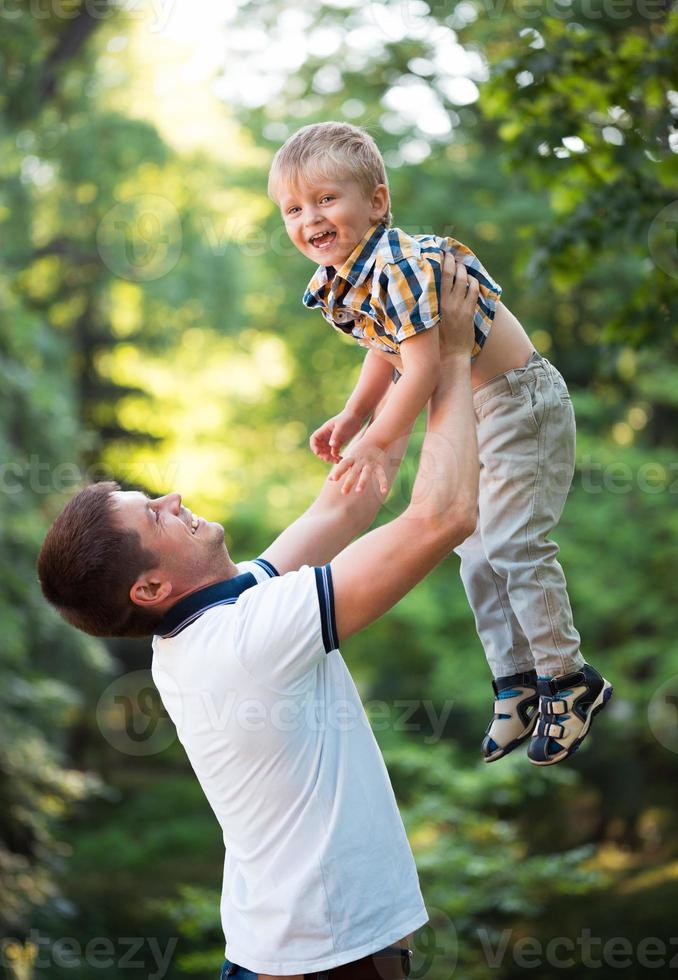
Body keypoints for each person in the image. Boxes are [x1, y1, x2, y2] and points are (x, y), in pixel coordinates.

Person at [37, 255, 480, 979]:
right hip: (328, 959)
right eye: (155, 514)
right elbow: (444, 517)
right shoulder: (247, 640)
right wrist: (454, 358)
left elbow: (347, 503)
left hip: (291, 951)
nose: (174, 498)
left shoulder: (218, 617)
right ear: (150, 586)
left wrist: (393, 372)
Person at [267, 120, 613, 767]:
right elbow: (386, 348)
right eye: (293, 208)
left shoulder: (398, 263)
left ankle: (569, 679)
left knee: (513, 543)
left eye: (325, 199)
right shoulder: (347, 280)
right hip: (478, 409)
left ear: (376, 201)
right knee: (475, 553)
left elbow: (424, 368)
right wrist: (354, 413)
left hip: (519, 400)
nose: (309, 218)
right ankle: (517, 686)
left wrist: (379, 440)